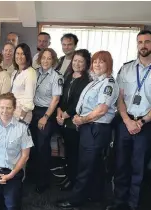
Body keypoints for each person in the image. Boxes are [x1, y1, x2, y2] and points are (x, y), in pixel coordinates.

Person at [108, 30, 151, 210]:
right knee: (120, 165)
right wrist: (127, 121)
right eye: (140, 42)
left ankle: (133, 205)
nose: (143, 45)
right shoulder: (126, 68)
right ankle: (118, 202)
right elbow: (119, 98)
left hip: (147, 126)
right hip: (125, 123)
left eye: (147, 42)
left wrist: (142, 122)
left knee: (139, 169)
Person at [56, 51, 119, 209]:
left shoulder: (108, 83)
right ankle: (96, 195)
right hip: (88, 127)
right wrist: (79, 117)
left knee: (85, 166)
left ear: (108, 65)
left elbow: (102, 110)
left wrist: (82, 119)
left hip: (96, 128)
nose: (97, 65)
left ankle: (75, 199)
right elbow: (83, 104)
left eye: (101, 62)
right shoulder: (94, 82)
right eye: (95, 62)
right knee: (95, 165)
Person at [0, 92, 33, 210]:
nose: (5, 111)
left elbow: (25, 155)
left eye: (8, 108)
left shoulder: (22, 128)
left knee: (12, 205)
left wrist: (11, 175)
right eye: (2, 107)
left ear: (14, 109)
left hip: (13, 173)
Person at [55, 49, 92, 191]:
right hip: (63, 119)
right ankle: (68, 177)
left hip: (74, 122)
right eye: (75, 60)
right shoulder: (69, 76)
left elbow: (78, 103)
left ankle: (74, 181)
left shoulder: (86, 80)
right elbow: (60, 96)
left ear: (86, 63)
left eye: (80, 61)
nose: (77, 63)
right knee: (67, 152)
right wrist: (59, 112)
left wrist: (64, 115)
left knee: (74, 154)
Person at [30, 48, 63, 193]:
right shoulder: (35, 72)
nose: (45, 61)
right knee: (32, 146)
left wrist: (45, 117)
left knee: (43, 148)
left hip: (46, 113)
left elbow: (55, 99)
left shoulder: (56, 77)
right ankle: (33, 176)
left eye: (49, 58)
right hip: (32, 111)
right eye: (43, 58)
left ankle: (43, 182)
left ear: (53, 61)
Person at [10, 43, 37, 124]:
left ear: (27, 56)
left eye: (22, 54)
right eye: (17, 53)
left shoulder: (30, 72)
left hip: (22, 114)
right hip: (13, 111)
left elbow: (29, 99)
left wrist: (21, 118)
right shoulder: (15, 72)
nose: (19, 56)